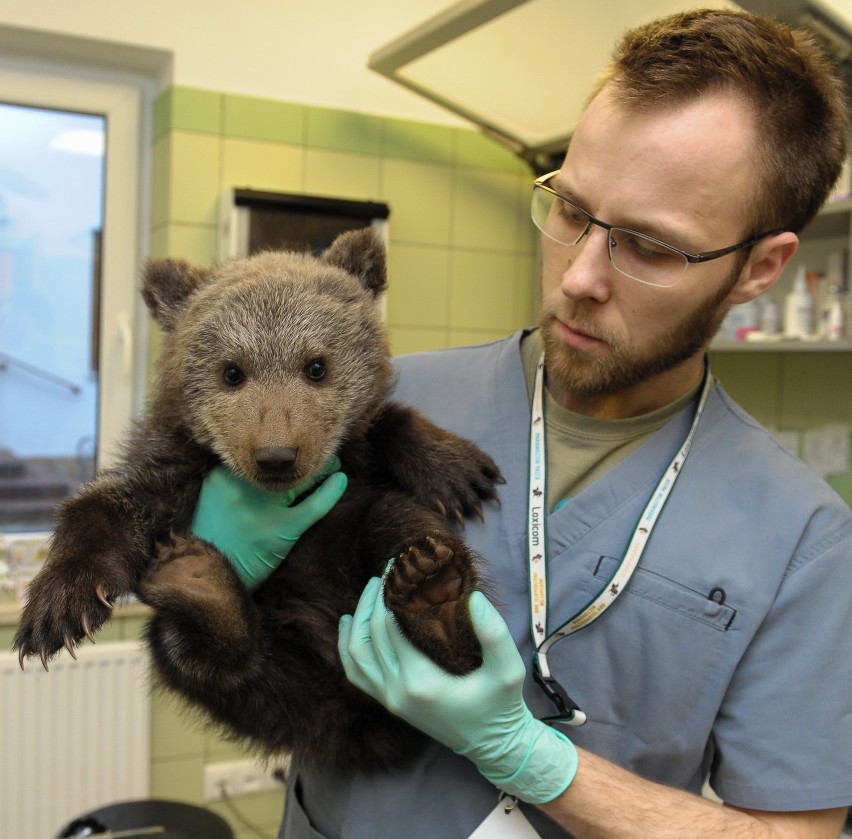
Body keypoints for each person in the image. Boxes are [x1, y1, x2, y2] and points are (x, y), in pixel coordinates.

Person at [194, 8, 852, 838]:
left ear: (760, 267)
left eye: (648, 246)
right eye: (570, 209)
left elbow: (795, 831)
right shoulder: (378, 411)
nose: (578, 277)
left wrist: (530, 756)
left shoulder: (802, 538)